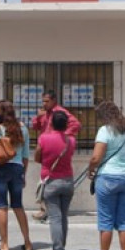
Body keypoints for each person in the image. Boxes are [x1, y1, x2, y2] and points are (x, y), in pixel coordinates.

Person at [88, 101, 125, 250]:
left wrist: (90, 170)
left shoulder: (105, 131)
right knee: (124, 220)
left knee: (106, 221)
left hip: (108, 177)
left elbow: (96, 157)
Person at [0, 100, 33, 250]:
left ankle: (4, 245)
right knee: (18, 206)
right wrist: (23, 174)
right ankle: (28, 242)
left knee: (2, 207)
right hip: (17, 169)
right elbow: (25, 156)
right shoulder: (23, 129)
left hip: (0, 170)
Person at [30, 90, 81, 221]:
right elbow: (35, 126)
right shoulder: (44, 113)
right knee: (44, 180)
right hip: (45, 148)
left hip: (55, 148)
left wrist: (64, 136)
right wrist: (37, 117)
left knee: (50, 178)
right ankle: (45, 208)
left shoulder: (60, 112)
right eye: (43, 101)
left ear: (53, 101)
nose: (44, 104)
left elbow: (76, 124)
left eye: (47, 101)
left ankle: (47, 209)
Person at [35, 111, 76, 250]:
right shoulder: (71, 141)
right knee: (63, 217)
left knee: (55, 218)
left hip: (51, 180)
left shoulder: (44, 138)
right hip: (67, 181)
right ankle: (61, 249)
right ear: (66, 124)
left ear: (51, 123)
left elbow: (37, 157)